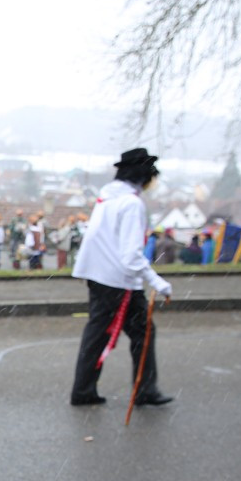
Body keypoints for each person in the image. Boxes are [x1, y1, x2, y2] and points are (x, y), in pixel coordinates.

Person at [70, 148, 173, 407]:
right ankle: (143, 389)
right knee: (141, 333)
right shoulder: (130, 203)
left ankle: (84, 390)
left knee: (99, 333)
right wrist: (157, 282)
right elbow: (131, 254)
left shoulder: (108, 197)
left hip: (100, 274)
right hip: (118, 278)